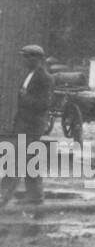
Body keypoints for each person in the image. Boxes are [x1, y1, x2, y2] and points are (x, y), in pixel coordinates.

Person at [1, 45, 55, 207]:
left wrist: (26, 98)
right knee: (31, 161)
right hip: (24, 124)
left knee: (16, 160)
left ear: (37, 59)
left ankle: (3, 196)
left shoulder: (45, 78)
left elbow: (44, 104)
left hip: (32, 125)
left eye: (27, 57)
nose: (24, 60)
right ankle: (35, 196)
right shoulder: (29, 74)